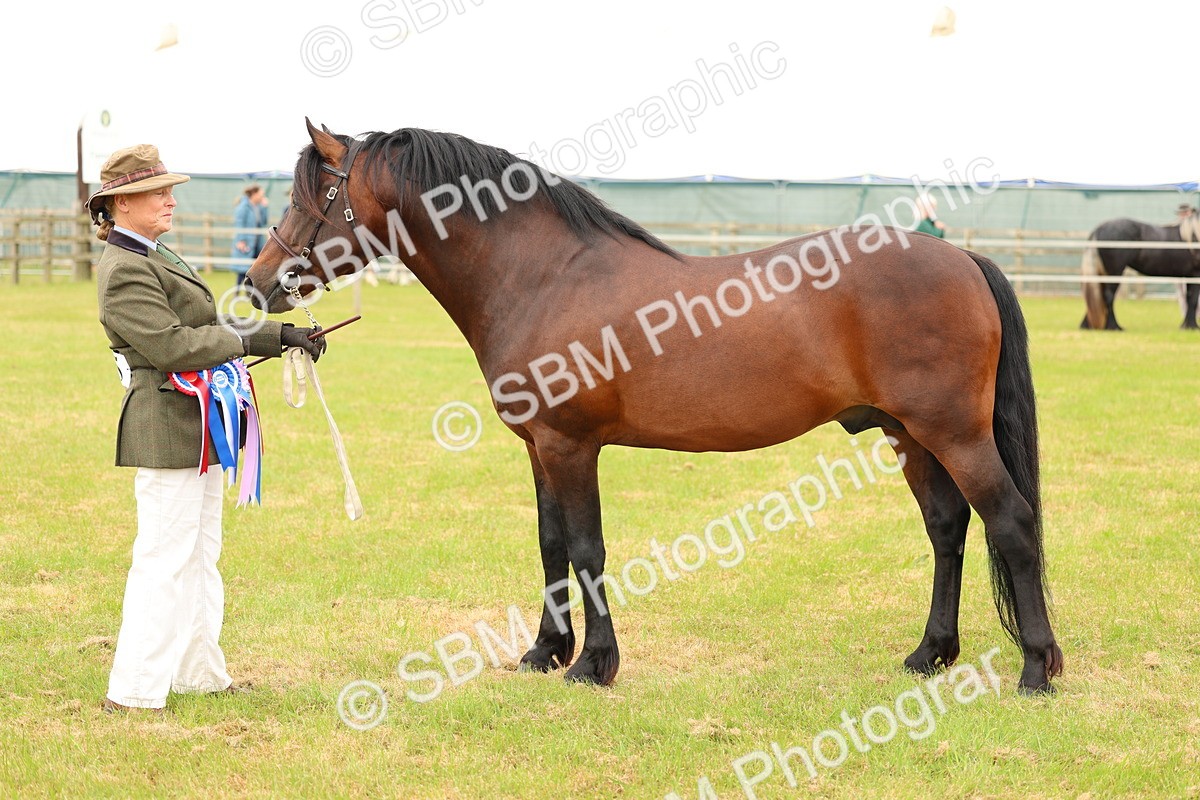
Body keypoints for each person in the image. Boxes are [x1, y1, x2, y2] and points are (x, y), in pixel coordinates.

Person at [88, 144, 326, 713]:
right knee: (164, 558)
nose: (171, 199)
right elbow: (171, 347)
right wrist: (248, 341)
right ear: (122, 204)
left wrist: (279, 333)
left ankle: (199, 672)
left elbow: (205, 323)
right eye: (158, 192)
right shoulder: (123, 269)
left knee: (200, 554)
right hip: (165, 425)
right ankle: (135, 690)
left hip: (196, 426)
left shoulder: (154, 253)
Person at [231, 185, 269, 290]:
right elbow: (239, 224)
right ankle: (237, 292)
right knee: (243, 269)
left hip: (257, 243)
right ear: (254, 194)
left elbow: (264, 222)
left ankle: (249, 293)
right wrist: (241, 240)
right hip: (247, 242)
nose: (262, 197)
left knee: (254, 269)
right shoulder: (243, 207)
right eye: (261, 194)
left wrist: (265, 208)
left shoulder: (258, 207)